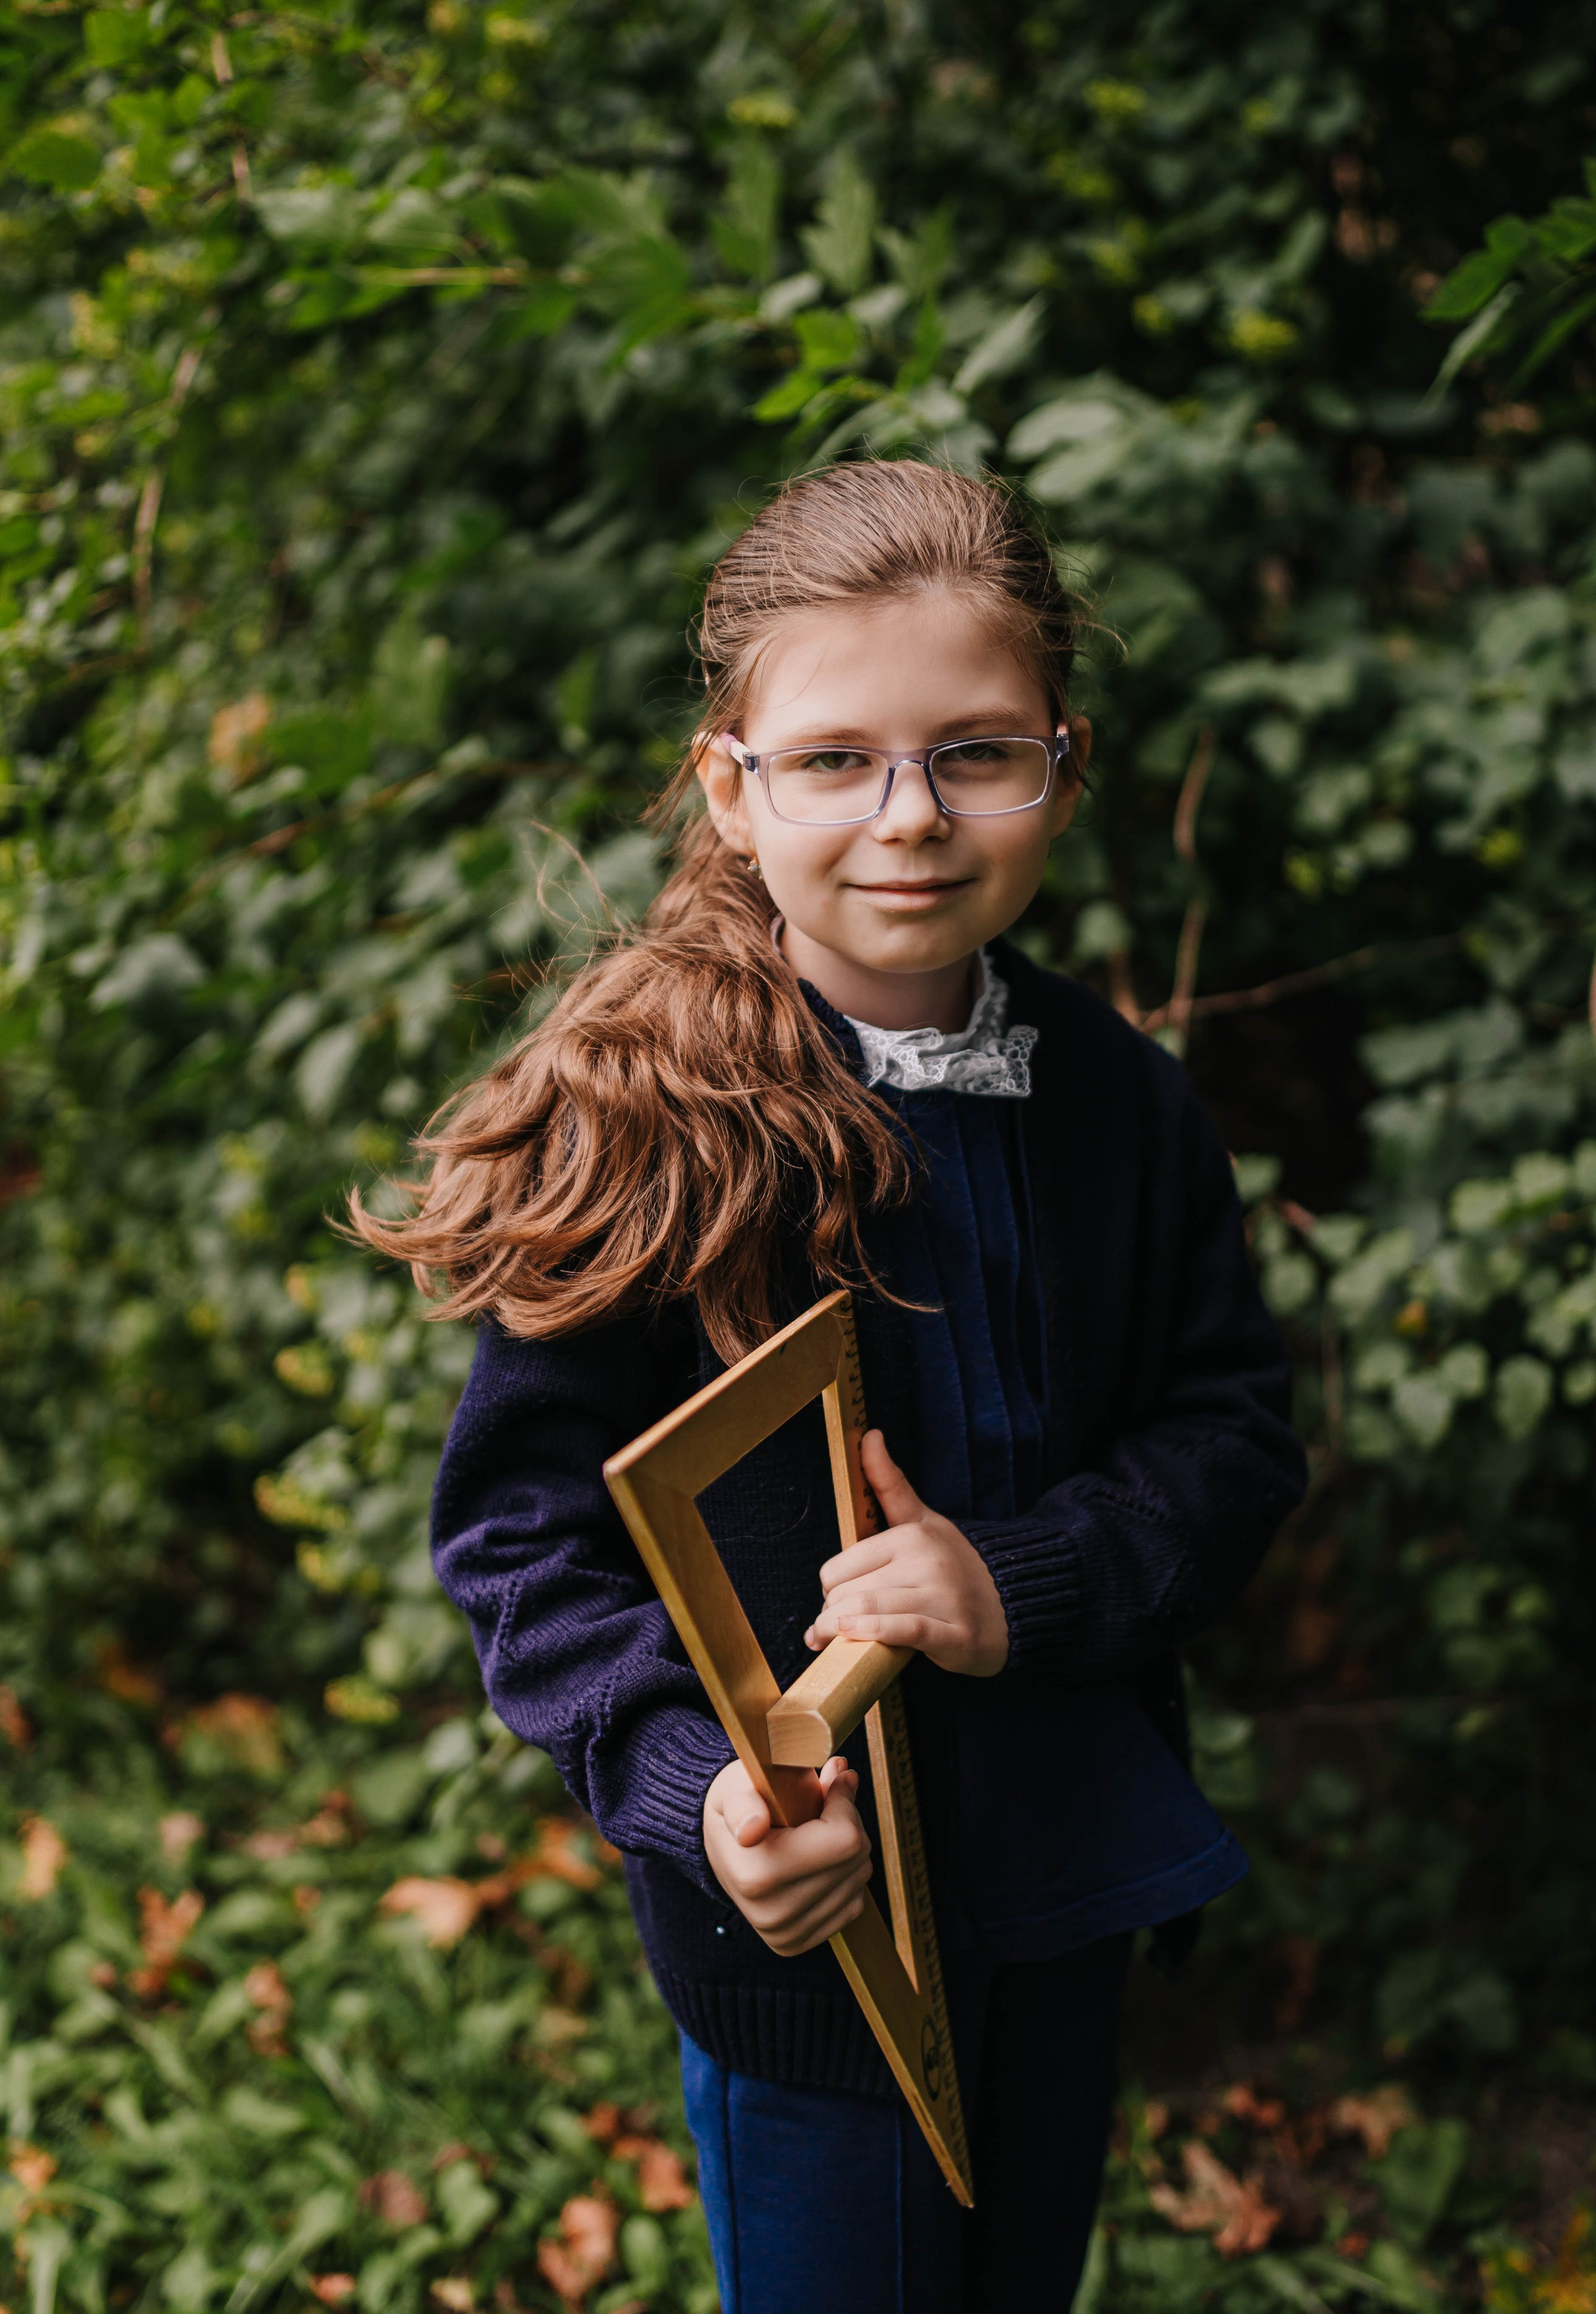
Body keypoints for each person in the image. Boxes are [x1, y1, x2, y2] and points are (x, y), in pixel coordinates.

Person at [354, 461, 1306, 2314]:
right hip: (809, 1931)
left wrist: (1012, 1582)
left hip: (1059, 1872)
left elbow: (1230, 1436)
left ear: (1063, 762)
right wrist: (704, 1788)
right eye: (835, 760)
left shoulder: (1122, 1099)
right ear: (732, 783)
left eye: (976, 753)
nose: (911, 820)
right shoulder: (648, 1123)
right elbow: (525, 1549)